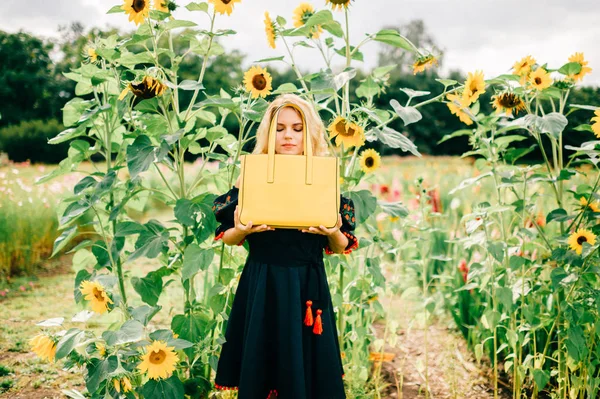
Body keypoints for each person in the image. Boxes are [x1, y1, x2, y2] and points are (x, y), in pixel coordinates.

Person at [211, 93, 359, 399]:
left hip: (308, 287)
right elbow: (227, 237)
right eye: (279, 129)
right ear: (268, 133)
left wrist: (332, 231)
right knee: (263, 364)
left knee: (305, 370)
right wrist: (240, 230)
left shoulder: (321, 177)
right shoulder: (252, 176)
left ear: (310, 133)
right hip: (263, 282)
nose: (288, 136)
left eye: (296, 128)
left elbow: (343, 244)